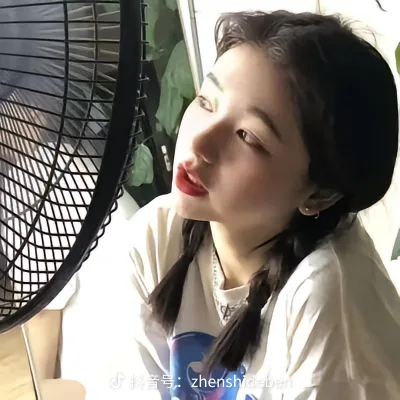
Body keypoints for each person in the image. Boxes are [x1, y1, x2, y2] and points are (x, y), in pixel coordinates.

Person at [26, 10, 400, 400]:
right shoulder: (159, 235)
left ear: (318, 195)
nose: (199, 142)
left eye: (248, 136)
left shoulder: (333, 303)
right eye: (206, 101)